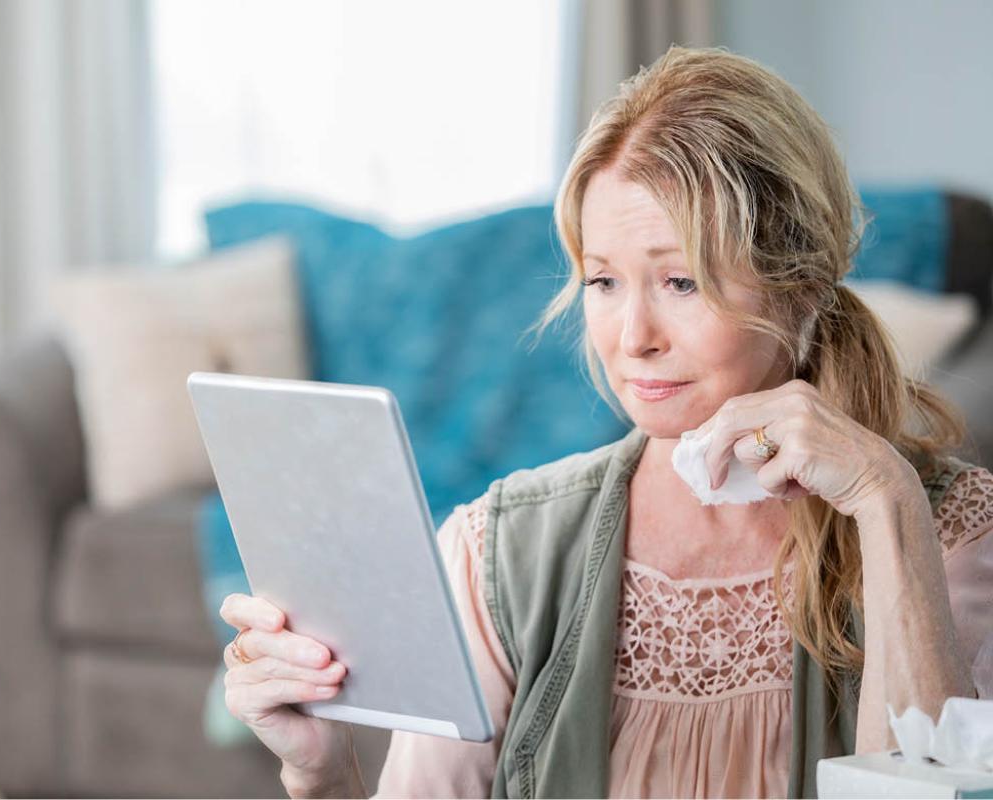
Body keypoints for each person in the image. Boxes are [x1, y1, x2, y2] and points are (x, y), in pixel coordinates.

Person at [216, 46, 993, 798]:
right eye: (605, 281)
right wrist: (321, 777)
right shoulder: (498, 551)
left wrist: (888, 504)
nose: (633, 337)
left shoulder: (957, 533)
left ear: (801, 285)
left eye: (681, 282)